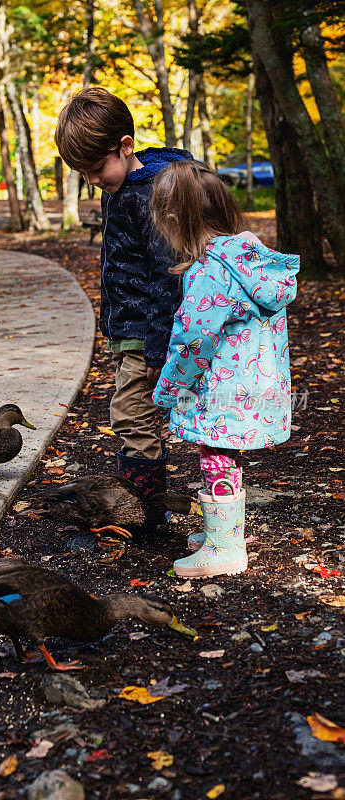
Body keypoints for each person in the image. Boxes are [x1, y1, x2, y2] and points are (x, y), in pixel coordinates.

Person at [150, 160, 299, 578]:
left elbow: (193, 340)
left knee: (214, 457)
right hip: (254, 383)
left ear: (176, 219)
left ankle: (225, 548)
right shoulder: (252, 262)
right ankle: (223, 532)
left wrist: (169, 387)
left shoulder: (210, 272)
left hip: (221, 388)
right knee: (223, 455)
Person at [54, 87, 192, 497]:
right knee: (135, 412)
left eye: (96, 169)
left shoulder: (149, 193)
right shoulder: (124, 186)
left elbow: (167, 274)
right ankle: (148, 501)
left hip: (147, 330)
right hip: (130, 325)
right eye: (83, 174)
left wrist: (156, 346)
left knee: (131, 414)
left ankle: (144, 507)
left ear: (125, 146)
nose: (93, 181)